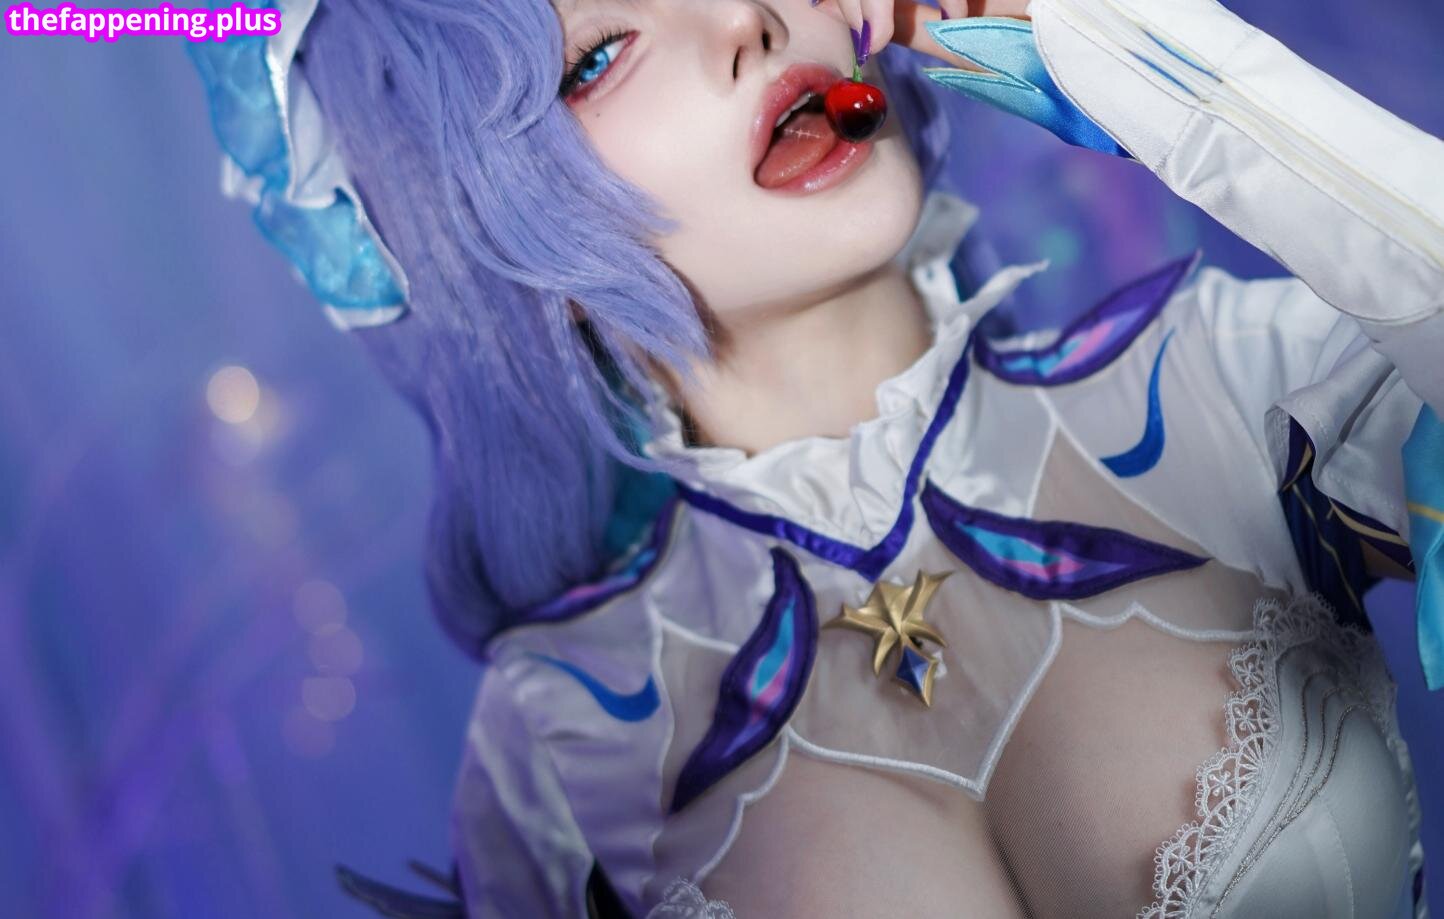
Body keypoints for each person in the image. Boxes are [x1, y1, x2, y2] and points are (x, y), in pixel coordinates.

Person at [190, 0, 1444, 915]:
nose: (746, 20)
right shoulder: (558, 742)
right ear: (470, 227)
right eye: (598, 54)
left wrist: (1170, 77)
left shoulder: (1227, 384)